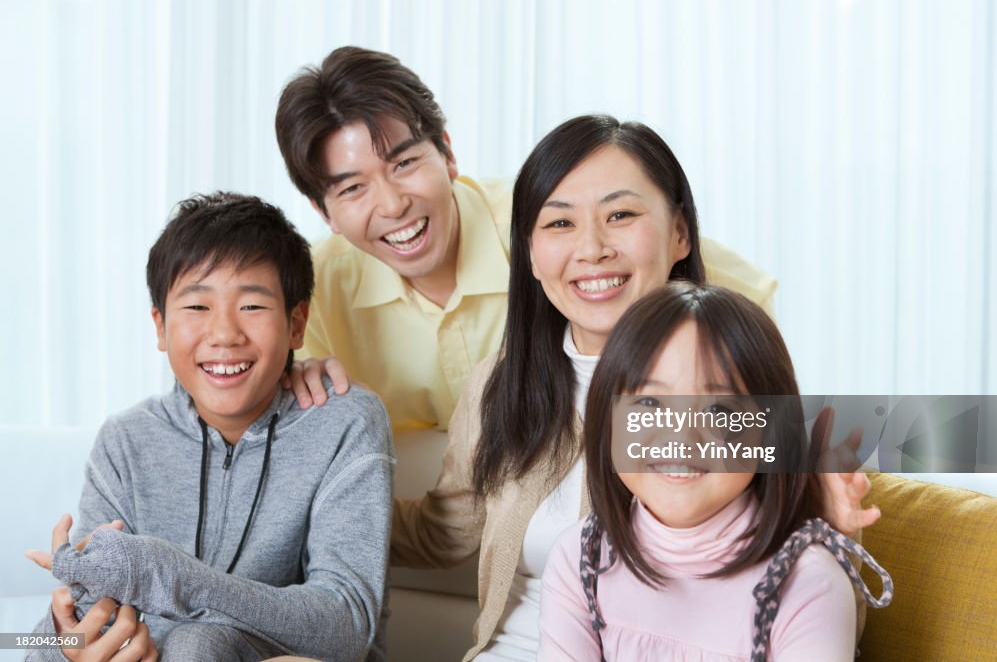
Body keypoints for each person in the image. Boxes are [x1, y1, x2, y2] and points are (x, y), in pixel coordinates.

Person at [388, 115, 878, 660]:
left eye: (620, 214)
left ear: (680, 233)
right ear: (528, 252)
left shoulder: (740, 393)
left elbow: (813, 613)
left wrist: (834, 531)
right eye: (558, 224)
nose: (592, 248)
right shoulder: (498, 386)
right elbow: (446, 530)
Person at [274, 45, 778, 430]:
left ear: (447, 153)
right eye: (354, 188)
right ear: (324, 211)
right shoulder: (311, 295)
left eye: (405, 163)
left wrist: (784, 456)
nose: (392, 204)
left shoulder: (559, 225)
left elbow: (739, 298)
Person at [25, 192, 394, 661]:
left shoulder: (344, 421)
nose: (223, 334)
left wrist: (165, 575)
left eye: (253, 307)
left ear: (296, 324)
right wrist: (65, 645)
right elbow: (40, 633)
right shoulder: (126, 441)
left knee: (199, 644)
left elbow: (345, 626)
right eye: (197, 307)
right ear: (159, 327)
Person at [538, 282, 893, 660]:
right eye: (649, 401)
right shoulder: (581, 557)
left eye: (719, 411)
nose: (680, 434)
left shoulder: (806, 582)